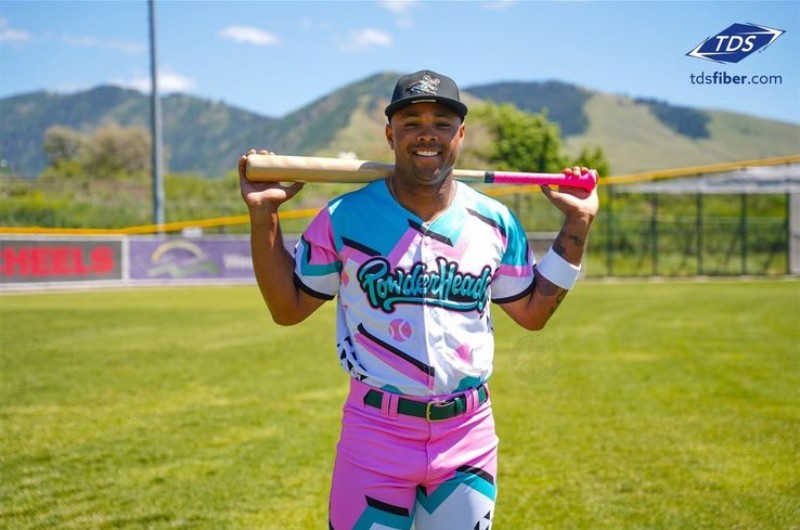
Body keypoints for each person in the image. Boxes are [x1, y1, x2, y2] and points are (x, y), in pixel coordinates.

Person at [239, 69, 599, 530]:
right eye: (411, 123)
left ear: (460, 134)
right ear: (391, 135)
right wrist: (264, 214)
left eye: (442, 123)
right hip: (374, 433)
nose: (427, 133)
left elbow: (533, 314)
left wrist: (577, 226)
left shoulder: (495, 221)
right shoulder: (343, 217)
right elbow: (287, 309)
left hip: (467, 434)